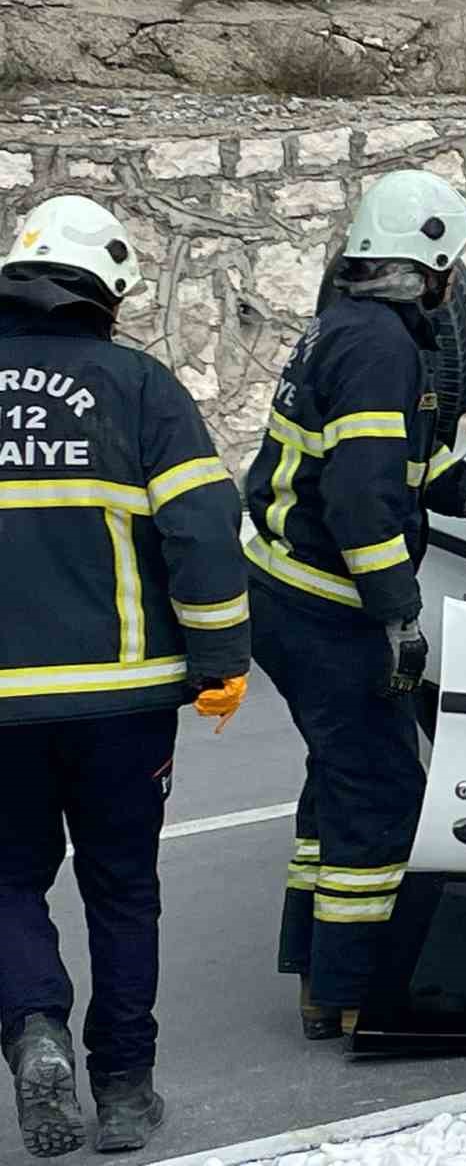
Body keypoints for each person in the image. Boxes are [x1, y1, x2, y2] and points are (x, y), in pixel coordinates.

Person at [242, 169, 466, 1042]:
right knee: (384, 794)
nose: (456, 281)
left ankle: (320, 978)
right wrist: (398, 614)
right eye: (452, 264)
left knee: (342, 777)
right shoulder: (380, 350)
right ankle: (358, 993)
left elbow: (398, 467)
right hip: (328, 610)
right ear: (425, 265)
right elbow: (358, 500)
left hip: (290, 597)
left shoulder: (351, 333)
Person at [0, 197, 250, 1157]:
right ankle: (127, 1086)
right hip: (122, 698)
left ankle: (32, 1029)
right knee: (122, 888)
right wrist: (222, 661)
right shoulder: (138, 385)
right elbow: (199, 528)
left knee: (8, 881)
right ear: (105, 294)